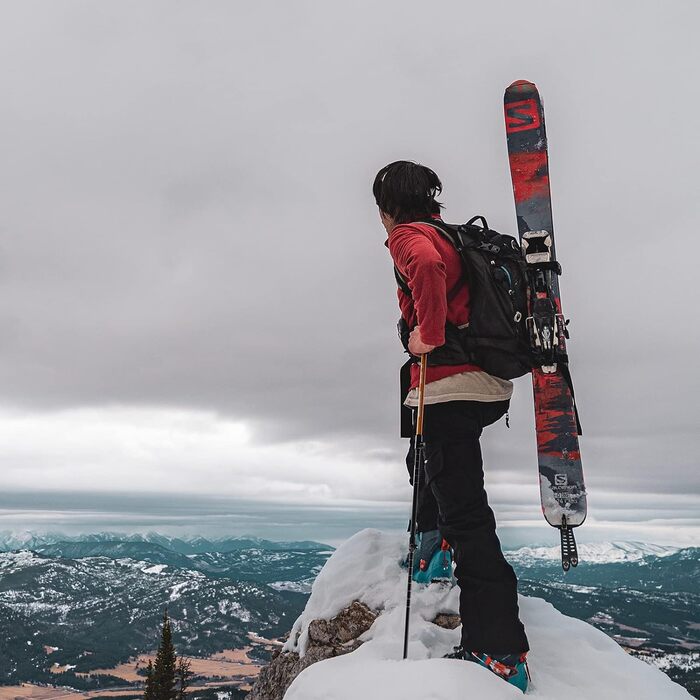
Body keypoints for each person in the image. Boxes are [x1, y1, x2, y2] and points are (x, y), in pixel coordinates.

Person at [373, 160, 530, 691]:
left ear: (388, 205)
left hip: (447, 387)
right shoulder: (452, 236)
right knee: (427, 462)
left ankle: (498, 648)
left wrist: (426, 334)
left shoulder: (411, 238)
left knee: (467, 514)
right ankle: (431, 546)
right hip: (483, 386)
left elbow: (422, 267)